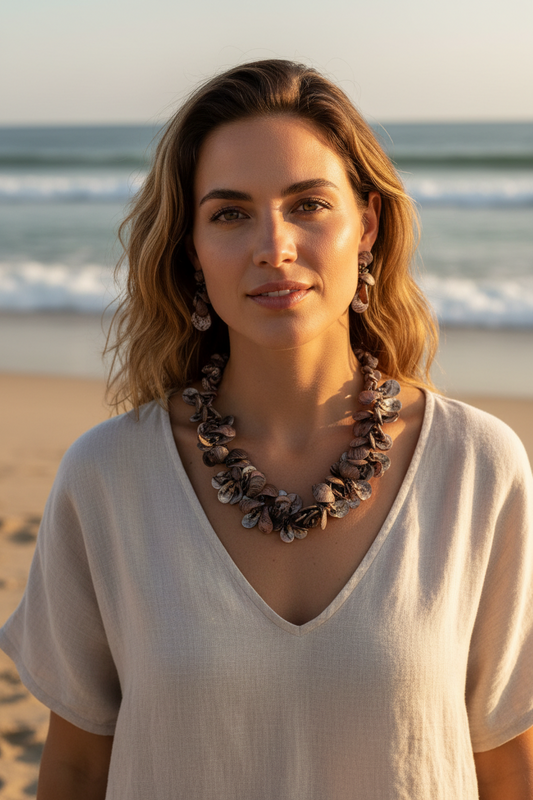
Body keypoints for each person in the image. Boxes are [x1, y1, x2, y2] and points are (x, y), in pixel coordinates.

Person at [1, 59, 532, 799]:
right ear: (191, 247)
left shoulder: (478, 466)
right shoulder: (107, 477)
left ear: (367, 225)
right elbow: (78, 768)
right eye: (229, 213)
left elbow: (507, 768)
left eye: (308, 204)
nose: (274, 246)